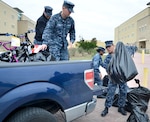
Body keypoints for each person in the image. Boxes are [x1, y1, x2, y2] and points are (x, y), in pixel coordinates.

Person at [101, 40, 128, 117]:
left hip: (122, 77)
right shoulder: (108, 57)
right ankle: (106, 108)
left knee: (123, 92)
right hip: (113, 78)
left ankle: (121, 107)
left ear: (113, 46)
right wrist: (111, 69)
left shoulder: (120, 54)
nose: (108, 49)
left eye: (109, 47)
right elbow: (105, 65)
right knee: (110, 92)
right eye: (107, 48)